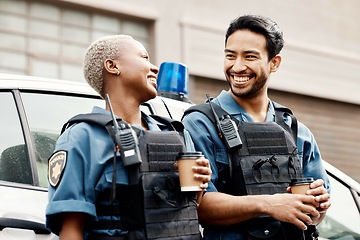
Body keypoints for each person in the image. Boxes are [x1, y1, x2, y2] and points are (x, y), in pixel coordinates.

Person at [46, 34, 211, 240]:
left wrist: (199, 185)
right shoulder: (82, 138)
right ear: (112, 66)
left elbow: (188, 212)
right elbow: (71, 231)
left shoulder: (176, 134)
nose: (155, 68)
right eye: (144, 58)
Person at [182, 14, 331, 240]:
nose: (237, 67)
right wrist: (269, 204)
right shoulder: (199, 124)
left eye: (250, 57)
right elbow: (195, 206)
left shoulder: (296, 130)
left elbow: (315, 214)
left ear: (274, 63)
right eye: (230, 56)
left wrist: (318, 206)